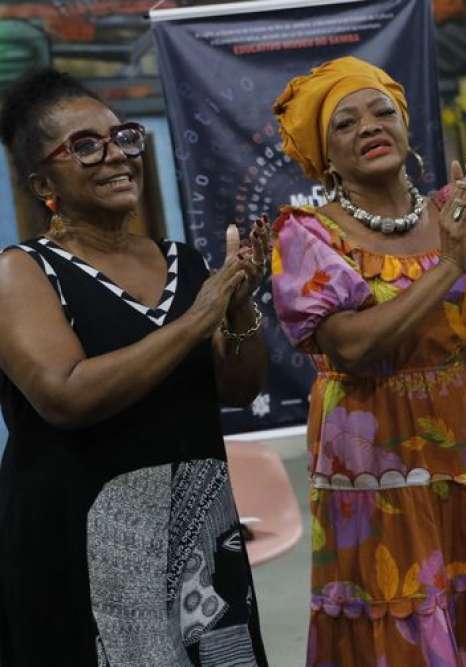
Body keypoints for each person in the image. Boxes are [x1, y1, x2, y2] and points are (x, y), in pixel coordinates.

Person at [269, 56, 466, 666]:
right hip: (375, 460)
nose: (369, 126)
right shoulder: (308, 234)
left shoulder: (454, 212)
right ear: (325, 157)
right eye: (345, 123)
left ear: (407, 128)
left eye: (382, 111)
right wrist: (446, 267)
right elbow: (353, 348)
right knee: (401, 603)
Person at [0, 68, 270, 665]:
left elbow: (239, 385)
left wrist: (241, 301)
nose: (116, 156)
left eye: (123, 137)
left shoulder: (183, 260)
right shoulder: (21, 272)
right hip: (85, 543)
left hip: (199, 530)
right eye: (85, 146)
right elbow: (64, 395)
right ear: (44, 181)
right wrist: (198, 320)